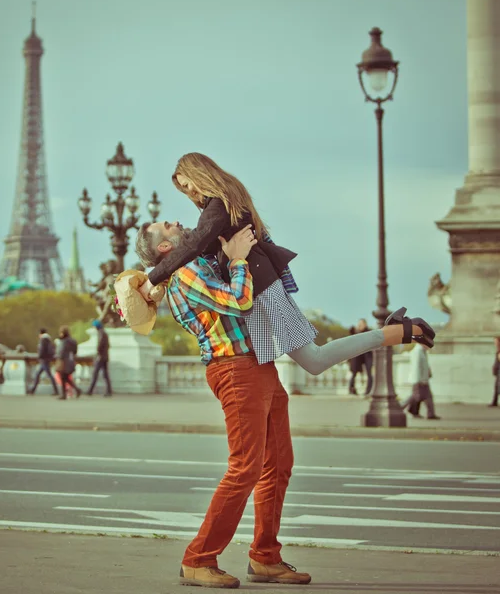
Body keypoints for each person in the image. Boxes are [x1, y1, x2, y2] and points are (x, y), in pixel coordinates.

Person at [135, 220, 437, 588]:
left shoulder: (197, 263)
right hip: (234, 370)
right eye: (167, 226)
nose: (176, 222)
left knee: (278, 465)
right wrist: (238, 260)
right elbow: (239, 300)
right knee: (244, 468)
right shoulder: (185, 272)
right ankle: (198, 558)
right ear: (165, 248)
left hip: (256, 366)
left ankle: (265, 558)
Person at [138, 152, 436, 375]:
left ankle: (398, 332)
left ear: (199, 175)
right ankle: (399, 332)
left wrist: (153, 277)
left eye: (188, 186)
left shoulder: (218, 206)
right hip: (260, 285)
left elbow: (195, 244)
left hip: (261, 288)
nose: (189, 194)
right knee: (269, 359)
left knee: (314, 361)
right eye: (184, 190)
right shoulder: (226, 200)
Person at [401, 342, 441, 420]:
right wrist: (420, 380)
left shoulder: (422, 351)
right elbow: (416, 367)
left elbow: (424, 364)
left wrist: (428, 372)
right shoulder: (417, 352)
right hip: (419, 380)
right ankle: (400, 407)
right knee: (415, 397)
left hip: (422, 379)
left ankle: (429, 414)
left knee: (424, 397)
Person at [27, 328, 59, 396]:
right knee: (38, 374)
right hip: (46, 360)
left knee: (49, 375)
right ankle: (33, 390)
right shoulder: (48, 340)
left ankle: (56, 391)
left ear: (40, 334)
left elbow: (41, 350)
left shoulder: (43, 340)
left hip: (44, 360)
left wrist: (39, 357)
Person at [86, 319, 112, 397]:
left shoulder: (101, 333)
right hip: (105, 356)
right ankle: (109, 391)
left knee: (95, 374)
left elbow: (100, 345)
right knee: (105, 375)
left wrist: (98, 353)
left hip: (100, 357)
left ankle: (90, 390)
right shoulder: (104, 333)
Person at [348, 319, 373, 396]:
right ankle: (351, 389)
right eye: (359, 324)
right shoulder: (356, 332)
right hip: (358, 356)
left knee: (369, 373)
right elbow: (350, 334)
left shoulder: (369, 332)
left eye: (361, 324)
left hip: (367, 355)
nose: (360, 326)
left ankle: (368, 391)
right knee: (354, 373)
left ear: (365, 324)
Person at [55, 325, 81, 400]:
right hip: (71, 361)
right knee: (66, 378)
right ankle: (77, 390)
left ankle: (64, 395)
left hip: (63, 362)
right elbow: (75, 351)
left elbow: (60, 352)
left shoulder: (63, 341)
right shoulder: (73, 341)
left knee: (63, 377)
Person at [489, 337, 500, 408]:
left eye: (496, 342)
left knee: (498, 387)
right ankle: (494, 402)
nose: (495, 343)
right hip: (498, 371)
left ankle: (494, 402)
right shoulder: (498, 351)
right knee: (496, 387)